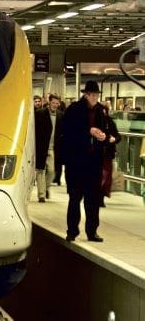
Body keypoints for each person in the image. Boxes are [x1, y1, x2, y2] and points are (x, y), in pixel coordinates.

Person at [58, 80, 110, 242]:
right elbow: (66, 131)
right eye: (92, 95)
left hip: (93, 163)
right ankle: (72, 231)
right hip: (76, 162)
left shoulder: (101, 111)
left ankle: (92, 231)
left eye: (96, 95)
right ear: (86, 94)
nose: (95, 98)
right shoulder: (74, 109)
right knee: (75, 198)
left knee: (92, 200)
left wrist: (104, 136)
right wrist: (88, 131)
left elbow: (108, 131)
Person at [99, 102, 121, 207]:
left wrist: (114, 139)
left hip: (107, 154)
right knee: (97, 177)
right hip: (95, 154)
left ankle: (101, 198)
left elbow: (118, 136)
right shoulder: (93, 122)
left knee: (106, 178)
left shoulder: (110, 122)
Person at [34, 97, 53, 202]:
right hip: (41, 146)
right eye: (53, 102)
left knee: (52, 171)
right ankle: (41, 195)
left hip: (52, 147)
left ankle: (45, 188)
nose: (55, 104)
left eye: (56, 103)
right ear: (49, 103)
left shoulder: (60, 115)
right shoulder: (40, 113)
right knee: (40, 170)